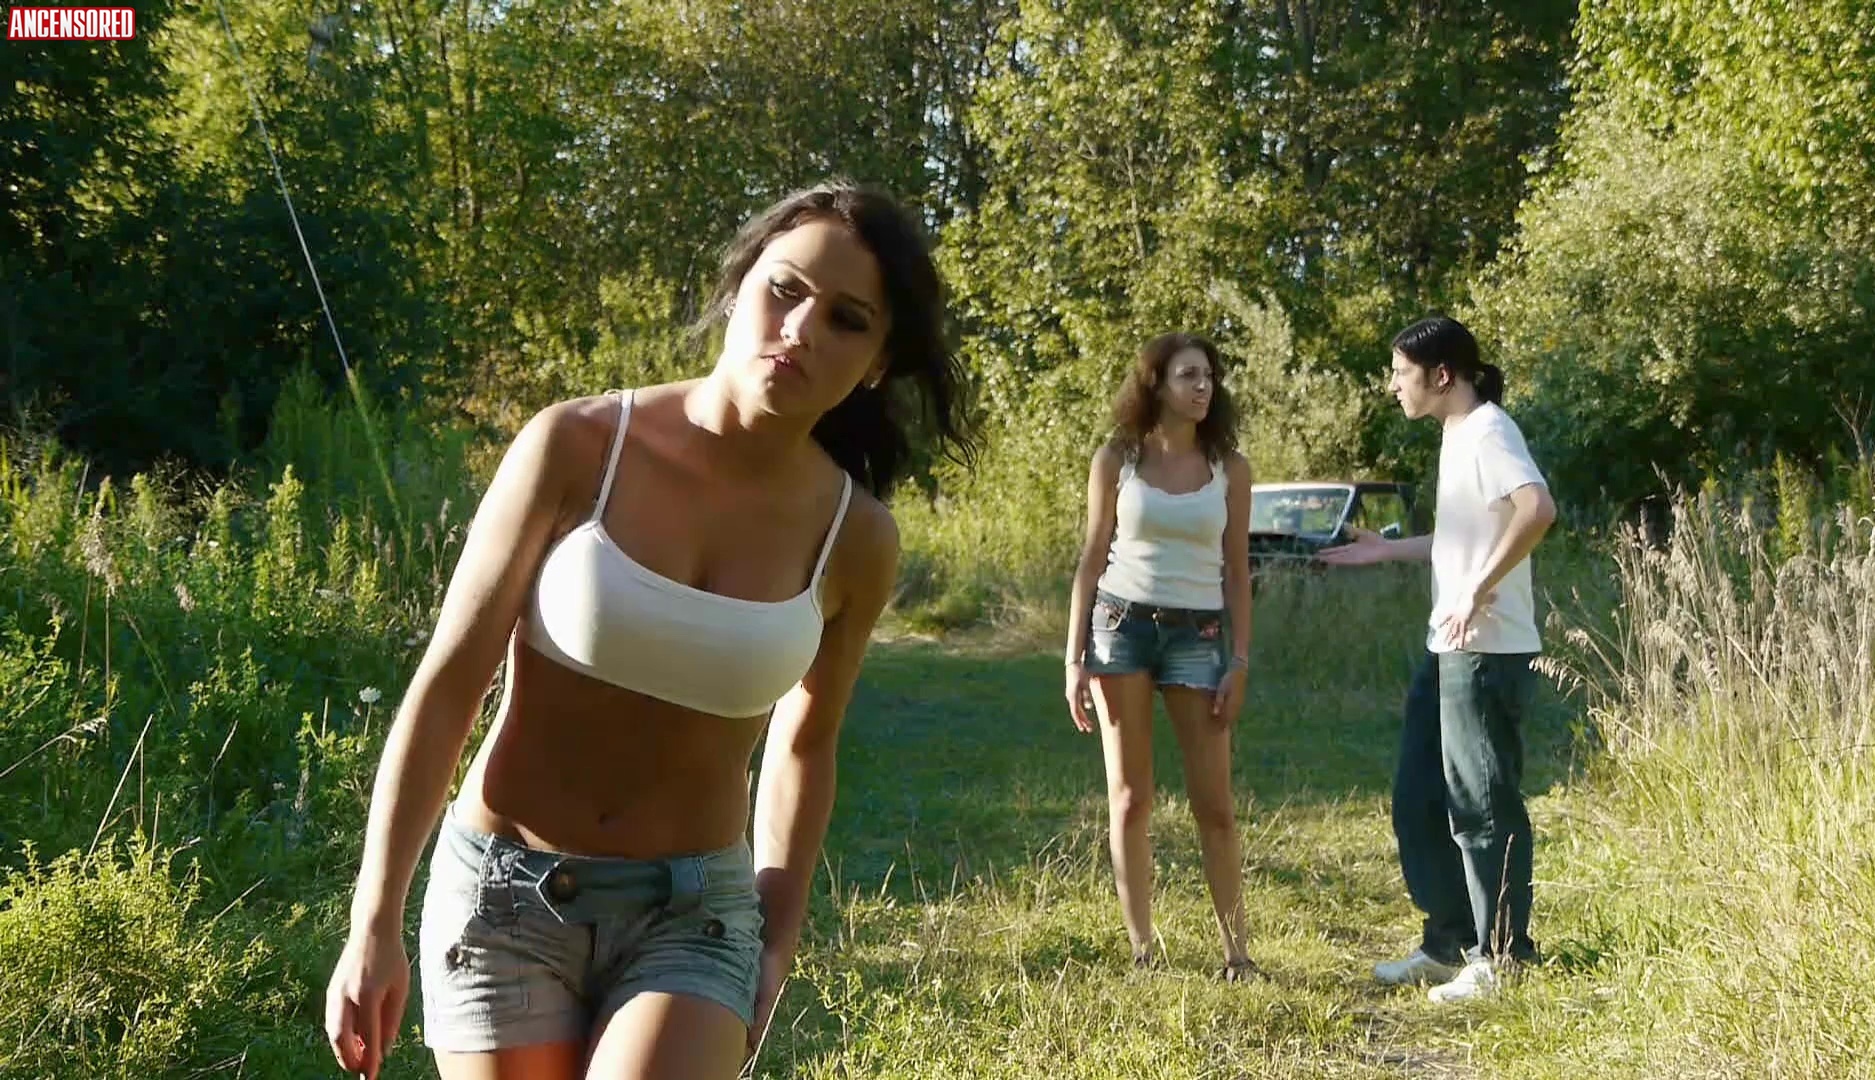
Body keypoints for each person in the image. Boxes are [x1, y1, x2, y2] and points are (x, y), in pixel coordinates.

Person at [323, 180, 975, 1080]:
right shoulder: (577, 445)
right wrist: (373, 919)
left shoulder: (855, 539)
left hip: (694, 916)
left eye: (846, 319)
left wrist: (777, 935)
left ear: (876, 362)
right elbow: (449, 681)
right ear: (740, 285)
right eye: (785, 289)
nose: (800, 329)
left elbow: (806, 743)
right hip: (503, 897)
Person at [1319, 315, 1556, 1004]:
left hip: (1485, 650)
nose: (1393, 385)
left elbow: (1537, 509)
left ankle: (1502, 956)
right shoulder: (1457, 435)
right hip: (1447, 645)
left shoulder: (1489, 431)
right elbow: (1463, 535)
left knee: (1482, 804)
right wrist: (1386, 550)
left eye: (1401, 373)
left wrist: (1478, 589)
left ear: (1442, 375)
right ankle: (1449, 942)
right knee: (1420, 797)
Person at [1063, 332, 1258, 981]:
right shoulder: (1116, 459)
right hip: (1119, 628)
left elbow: (1238, 572)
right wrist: (1074, 658)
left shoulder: (1230, 468)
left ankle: (1237, 953)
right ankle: (1143, 951)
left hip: (1199, 637)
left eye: (1209, 376)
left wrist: (1239, 661)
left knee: (1215, 805)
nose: (1203, 387)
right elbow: (1092, 559)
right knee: (1129, 798)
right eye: (1187, 376)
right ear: (1156, 384)